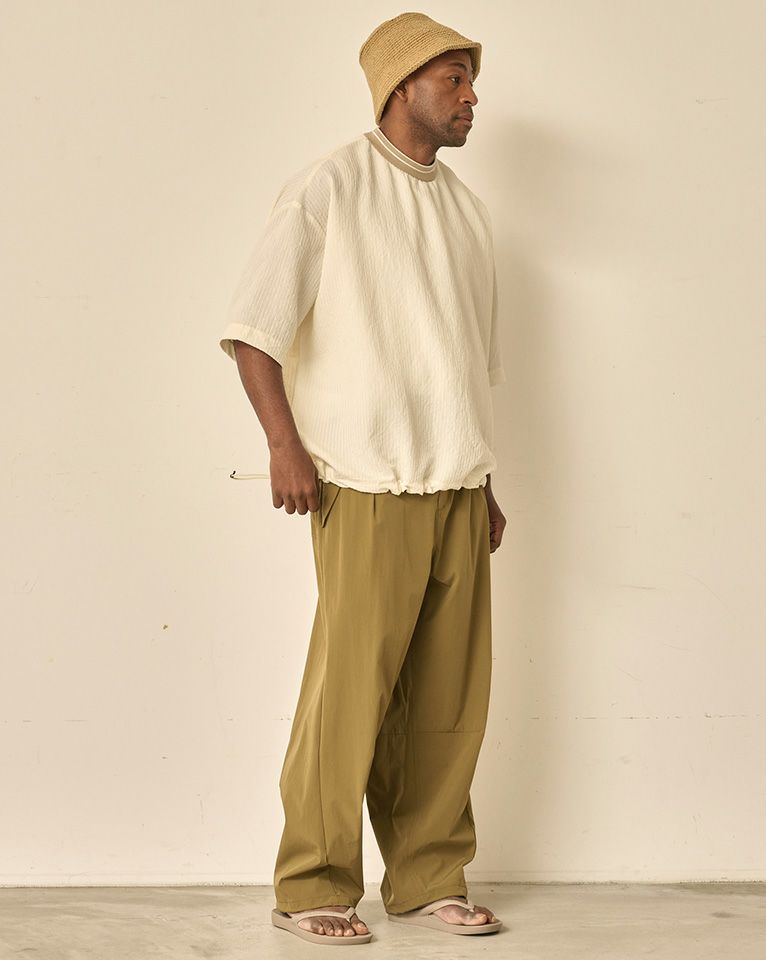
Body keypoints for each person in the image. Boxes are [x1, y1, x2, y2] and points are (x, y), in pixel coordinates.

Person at [219, 11, 507, 946]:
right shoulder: (330, 186)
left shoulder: (466, 211)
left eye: (470, 80)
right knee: (348, 699)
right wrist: (284, 445)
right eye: (454, 79)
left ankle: (427, 878)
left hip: (455, 486)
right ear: (400, 85)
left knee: (447, 706)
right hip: (367, 484)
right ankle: (311, 883)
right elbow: (255, 329)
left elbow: (460, 365)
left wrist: (482, 480)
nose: (472, 97)